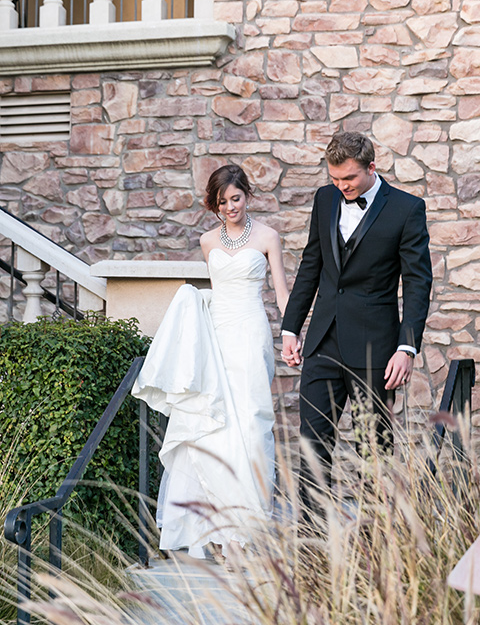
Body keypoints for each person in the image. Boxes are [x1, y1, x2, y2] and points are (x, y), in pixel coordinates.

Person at [132, 164, 289, 559]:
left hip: (251, 335)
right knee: (215, 429)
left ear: (247, 196)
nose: (230, 207)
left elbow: (283, 293)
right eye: (222, 202)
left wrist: (292, 333)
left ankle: (246, 532)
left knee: (251, 428)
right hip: (217, 337)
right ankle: (219, 533)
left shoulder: (269, 237)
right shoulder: (207, 242)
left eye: (235, 198)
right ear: (214, 204)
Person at [281, 132, 432, 506]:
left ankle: (377, 545)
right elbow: (311, 264)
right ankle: (313, 546)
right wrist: (290, 327)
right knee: (312, 445)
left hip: (374, 349)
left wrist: (406, 347)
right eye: (335, 179)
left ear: (371, 167)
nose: (341, 186)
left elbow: (417, 283)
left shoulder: (406, 209)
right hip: (321, 343)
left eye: (348, 179)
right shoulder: (325, 198)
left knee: (374, 448)